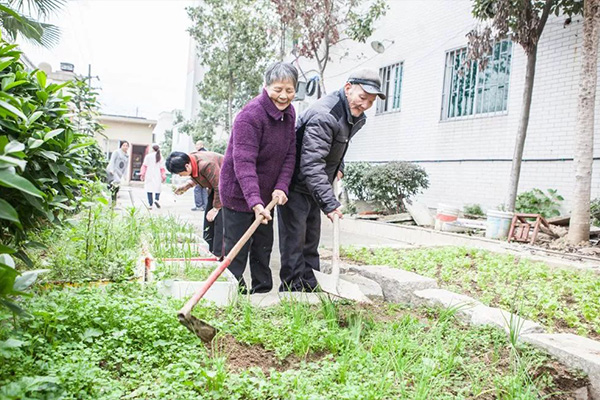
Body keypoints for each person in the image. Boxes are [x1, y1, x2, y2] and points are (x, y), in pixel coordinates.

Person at [278, 69, 386, 292]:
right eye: (363, 98)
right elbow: (311, 162)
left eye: (371, 101)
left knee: (310, 240)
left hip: (315, 184)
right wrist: (330, 203)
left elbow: (338, 144)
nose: (365, 105)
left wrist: (339, 168)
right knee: (295, 241)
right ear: (348, 88)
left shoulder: (351, 113)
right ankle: (291, 292)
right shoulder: (325, 114)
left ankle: (309, 287)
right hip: (296, 183)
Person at [219, 62, 298, 294]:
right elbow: (244, 163)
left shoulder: (289, 114)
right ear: (266, 86)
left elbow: (289, 154)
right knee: (237, 251)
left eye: (289, 90)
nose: (283, 96)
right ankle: (230, 296)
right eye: (277, 89)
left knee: (263, 248)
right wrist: (254, 201)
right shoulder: (250, 116)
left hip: (266, 197)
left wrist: (282, 186)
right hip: (239, 194)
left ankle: (262, 294)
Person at [166, 151, 224, 258]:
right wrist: (186, 186)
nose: (180, 176)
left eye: (180, 173)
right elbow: (198, 175)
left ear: (187, 166)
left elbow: (219, 186)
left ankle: (219, 256)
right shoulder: (191, 159)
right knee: (208, 223)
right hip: (216, 188)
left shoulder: (206, 164)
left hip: (226, 188)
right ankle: (209, 252)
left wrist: (216, 208)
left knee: (219, 223)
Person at [140, 144, 166, 210]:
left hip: (149, 174)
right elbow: (162, 168)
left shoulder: (148, 156)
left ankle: (150, 204)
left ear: (152, 149)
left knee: (149, 189)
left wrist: (142, 174)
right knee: (157, 189)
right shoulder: (160, 157)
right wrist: (163, 177)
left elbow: (144, 166)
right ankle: (156, 199)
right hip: (158, 175)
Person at [192, 140, 209, 211]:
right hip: (206, 174)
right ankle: (205, 206)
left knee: (197, 189)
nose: (196, 146)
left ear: (202, 145)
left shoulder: (200, 153)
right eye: (196, 145)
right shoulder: (207, 152)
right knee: (203, 190)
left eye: (198, 145)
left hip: (200, 174)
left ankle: (199, 206)